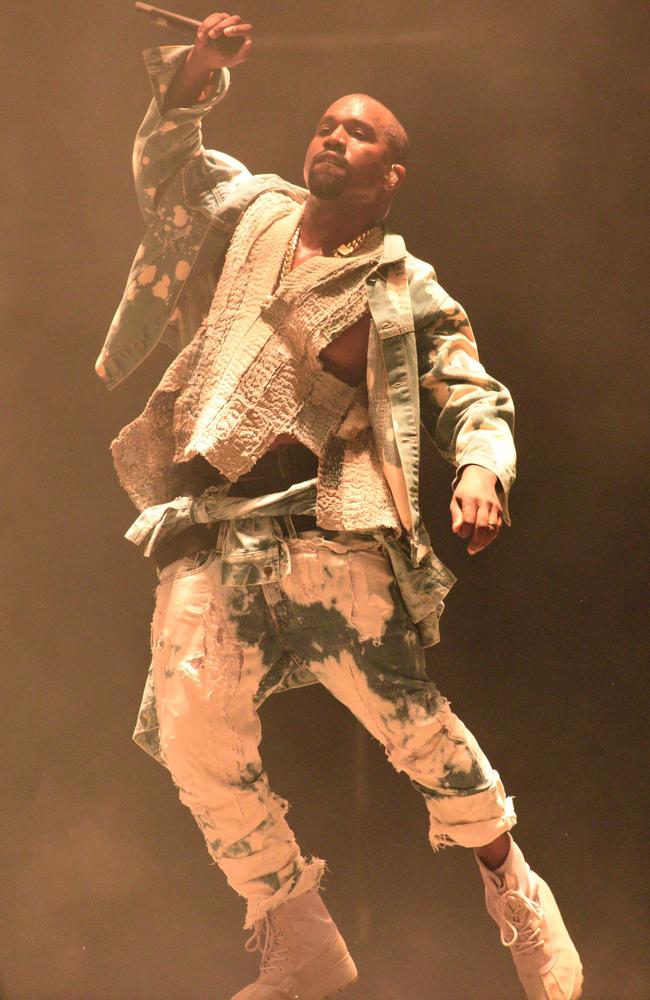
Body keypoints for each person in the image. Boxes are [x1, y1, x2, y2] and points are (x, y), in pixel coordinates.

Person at [97, 12, 583, 1000]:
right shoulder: (251, 213)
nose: (331, 136)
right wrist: (199, 67)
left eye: (357, 132)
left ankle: (512, 886)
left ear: (389, 172)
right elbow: (166, 162)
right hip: (209, 534)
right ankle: (296, 929)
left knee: (413, 728)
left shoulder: (403, 286)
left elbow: (472, 391)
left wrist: (480, 469)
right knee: (192, 730)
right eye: (325, 123)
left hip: (325, 538)